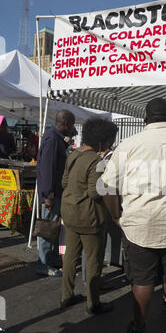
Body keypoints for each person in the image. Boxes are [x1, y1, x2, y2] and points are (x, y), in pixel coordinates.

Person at [101, 98, 166, 333]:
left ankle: (139, 326)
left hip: (139, 225)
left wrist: (116, 217)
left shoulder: (129, 145)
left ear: (145, 118)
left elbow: (106, 186)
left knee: (143, 280)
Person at [60, 117, 117, 315]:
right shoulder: (96, 161)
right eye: (110, 140)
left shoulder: (73, 154)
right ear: (102, 140)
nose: (111, 144)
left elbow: (65, 182)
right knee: (93, 260)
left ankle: (66, 296)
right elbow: (95, 192)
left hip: (69, 212)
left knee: (70, 256)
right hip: (89, 217)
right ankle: (94, 304)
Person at [36, 110, 75, 277]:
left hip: (54, 192)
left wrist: (68, 140)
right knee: (47, 228)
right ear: (65, 124)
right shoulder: (52, 138)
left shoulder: (56, 137)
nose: (72, 128)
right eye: (71, 125)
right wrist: (48, 195)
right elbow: (48, 170)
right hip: (51, 193)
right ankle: (43, 263)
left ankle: (50, 259)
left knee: (53, 227)